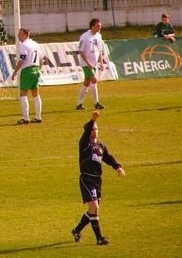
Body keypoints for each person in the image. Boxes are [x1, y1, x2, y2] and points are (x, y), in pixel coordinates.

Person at [71, 110, 126, 245]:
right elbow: (87, 129)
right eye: (93, 129)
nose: (95, 131)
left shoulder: (100, 145)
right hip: (87, 179)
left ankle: (76, 230)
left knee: (92, 210)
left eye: (96, 129)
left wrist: (117, 167)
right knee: (95, 208)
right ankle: (99, 238)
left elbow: (108, 157)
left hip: (97, 180)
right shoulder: (84, 144)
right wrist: (92, 120)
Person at [10, 28, 43, 124]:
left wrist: (15, 71)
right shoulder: (35, 44)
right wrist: (39, 69)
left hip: (27, 70)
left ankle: (25, 118)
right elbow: (41, 58)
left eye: (20, 34)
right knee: (36, 94)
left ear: (25, 35)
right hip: (36, 69)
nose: (18, 36)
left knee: (23, 94)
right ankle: (38, 117)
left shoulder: (23, 45)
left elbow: (22, 59)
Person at [76, 18, 105, 110]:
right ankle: (96, 103)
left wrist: (101, 62)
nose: (100, 28)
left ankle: (79, 104)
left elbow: (99, 50)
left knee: (87, 83)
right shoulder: (84, 37)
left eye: (100, 26)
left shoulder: (99, 36)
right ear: (92, 26)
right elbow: (80, 51)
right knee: (94, 80)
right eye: (98, 26)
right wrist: (87, 63)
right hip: (86, 64)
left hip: (94, 64)